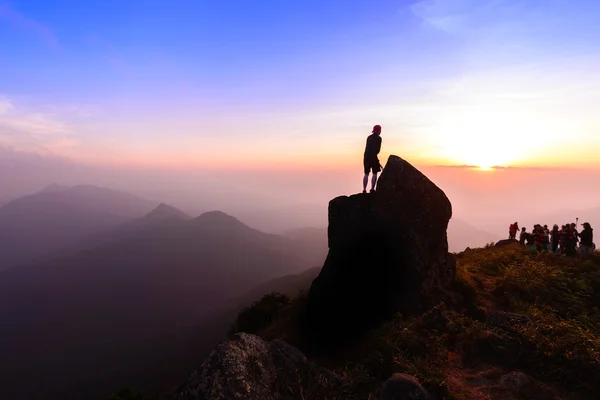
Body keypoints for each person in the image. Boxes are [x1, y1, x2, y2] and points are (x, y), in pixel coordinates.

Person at [363, 124, 382, 193]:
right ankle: (372, 189)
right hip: (373, 157)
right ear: (379, 130)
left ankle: (364, 189)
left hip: (366, 157)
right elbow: (377, 150)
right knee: (374, 173)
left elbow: (367, 148)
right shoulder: (379, 138)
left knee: (366, 173)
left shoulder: (369, 137)